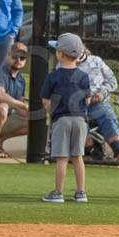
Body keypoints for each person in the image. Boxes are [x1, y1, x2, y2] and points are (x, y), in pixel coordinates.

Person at [41, 33, 92, 203]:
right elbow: (87, 100)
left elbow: (46, 101)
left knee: (62, 158)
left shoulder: (53, 76)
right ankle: (81, 193)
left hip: (61, 119)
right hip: (80, 120)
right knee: (78, 156)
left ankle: (58, 193)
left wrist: (52, 111)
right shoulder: (84, 76)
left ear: (60, 54)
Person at [77, 44, 119, 161]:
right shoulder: (64, 65)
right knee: (76, 116)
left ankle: (118, 149)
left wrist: (102, 93)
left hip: (97, 101)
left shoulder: (96, 61)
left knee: (106, 113)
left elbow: (112, 81)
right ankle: (90, 148)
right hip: (76, 104)